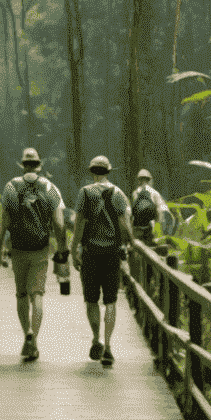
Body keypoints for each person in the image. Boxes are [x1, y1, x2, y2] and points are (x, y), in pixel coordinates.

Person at [1, 146, 66, 361]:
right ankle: (34, 341)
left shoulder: (11, 186)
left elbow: (5, 222)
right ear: (39, 166)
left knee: (21, 294)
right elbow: (58, 222)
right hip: (40, 249)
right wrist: (63, 247)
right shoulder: (50, 187)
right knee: (37, 294)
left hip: (18, 248)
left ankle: (26, 332)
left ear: (22, 165)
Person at [71, 154, 133, 367]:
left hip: (90, 252)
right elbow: (124, 225)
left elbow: (79, 223)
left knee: (91, 300)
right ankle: (108, 346)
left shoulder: (85, 193)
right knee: (111, 301)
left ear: (92, 172)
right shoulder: (119, 194)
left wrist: (73, 249)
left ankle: (96, 338)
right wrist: (130, 243)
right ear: (108, 171)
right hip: (112, 253)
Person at [129, 168, 173, 245]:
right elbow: (162, 211)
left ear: (138, 180)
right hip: (151, 228)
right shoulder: (154, 193)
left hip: (138, 229)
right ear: (149, 180)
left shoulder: (135, 193)